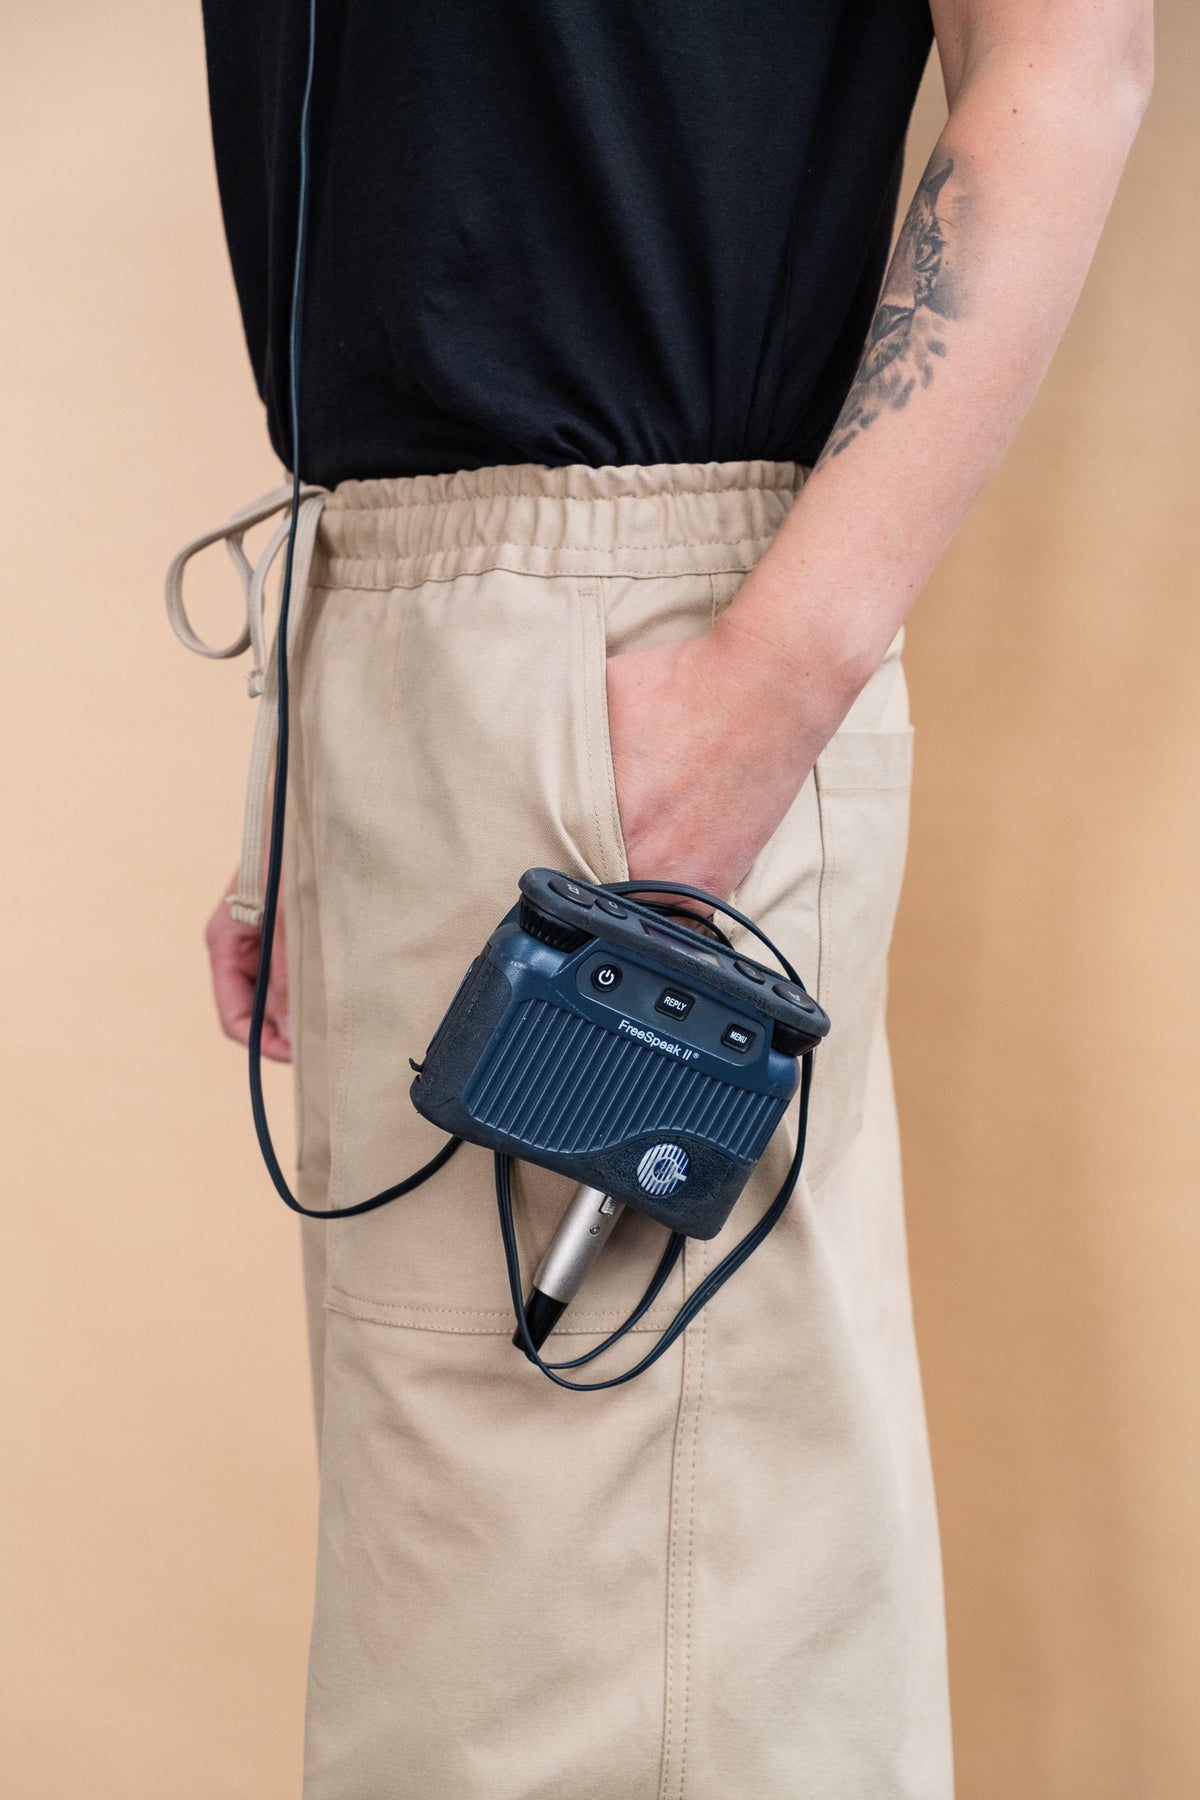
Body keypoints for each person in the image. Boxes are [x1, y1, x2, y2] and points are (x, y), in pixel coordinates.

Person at [174, 3, 1152, 1794]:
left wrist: (773, 678)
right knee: (470, 1664)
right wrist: (347, 715)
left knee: (644, 1660)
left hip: (634, 636)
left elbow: (1074, 49)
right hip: (396, 614)